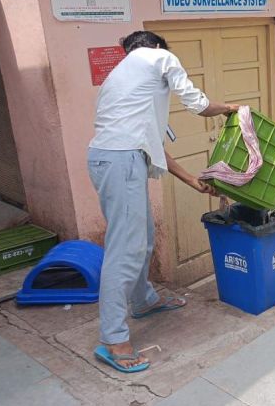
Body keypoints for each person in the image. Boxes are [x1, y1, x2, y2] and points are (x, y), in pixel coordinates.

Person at [88, 30, 239, 372]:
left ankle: (143, 300)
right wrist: (232, 108)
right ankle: (113, 339)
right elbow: (199, 105)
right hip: (121, 160)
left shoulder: (121, 77)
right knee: (125, 249)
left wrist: (191, 181)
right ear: (157, 46)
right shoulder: (158, 57)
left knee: (142, 239)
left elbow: (153, 143)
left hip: (113, 159)